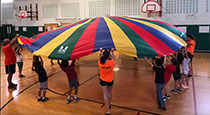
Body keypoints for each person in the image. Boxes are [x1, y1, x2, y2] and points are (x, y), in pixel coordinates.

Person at [98, 48, 115, 115]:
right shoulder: (111, 62)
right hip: (110, 80)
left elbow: (100, 57)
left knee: (105, 94)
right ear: (109, 56)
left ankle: (108, 111)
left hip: (103, 80)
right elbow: (113, 58)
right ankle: (109, 104)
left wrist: (100, 51)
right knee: (109, 93)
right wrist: (112, 52)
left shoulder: (100, 63)